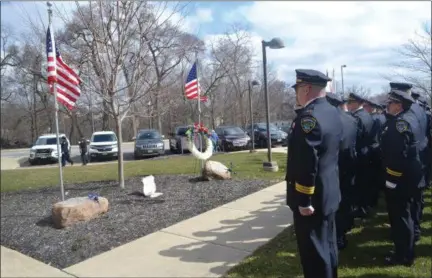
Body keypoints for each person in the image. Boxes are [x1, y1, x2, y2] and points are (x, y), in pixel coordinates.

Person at [286, 69, 342, 278]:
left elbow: (307, 164)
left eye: (297, 89)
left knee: (314, 253)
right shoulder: (331, 111)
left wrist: (304, 199)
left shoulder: (308, 119)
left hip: (313, 198)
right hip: (329, 191)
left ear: (307, 89)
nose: (296, 94)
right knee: (328, 245)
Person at [380, 89, 423, 266]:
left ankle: (403, 255)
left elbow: (398, 155)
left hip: (401, 179)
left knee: (401, 217)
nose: (387, 106)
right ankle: (406, 251)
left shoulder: (400, 123)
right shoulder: (408, 118)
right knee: (407, 216)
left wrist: (391, 180)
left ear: (398, 105)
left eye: (390, 103)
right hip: (410, 176)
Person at [389, 82, 428, 243]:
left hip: (407, 168)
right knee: (414, 205)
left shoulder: (406, 117)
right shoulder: (418, 110)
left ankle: (406, 245)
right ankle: (414, 233)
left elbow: (400, 149)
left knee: (405, 209)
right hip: (419, 162)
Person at [326, 92, 357, 250]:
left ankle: (336, 237)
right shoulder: (351, 119)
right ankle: (343, 232)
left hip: (335, 167)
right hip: (349, 165)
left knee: (334, 204)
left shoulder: (330, 120)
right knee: (346, 201)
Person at [346, 93, 374, 218]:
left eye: (350, 103)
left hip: (359, 153)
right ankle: (364, 206)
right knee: (365, 182)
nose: (348, 105)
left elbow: (354, 138)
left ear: (357, 103)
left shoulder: (357, 118)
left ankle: (359, 209)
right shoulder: (367, 115)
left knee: (358, 183)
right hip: (367, 152)